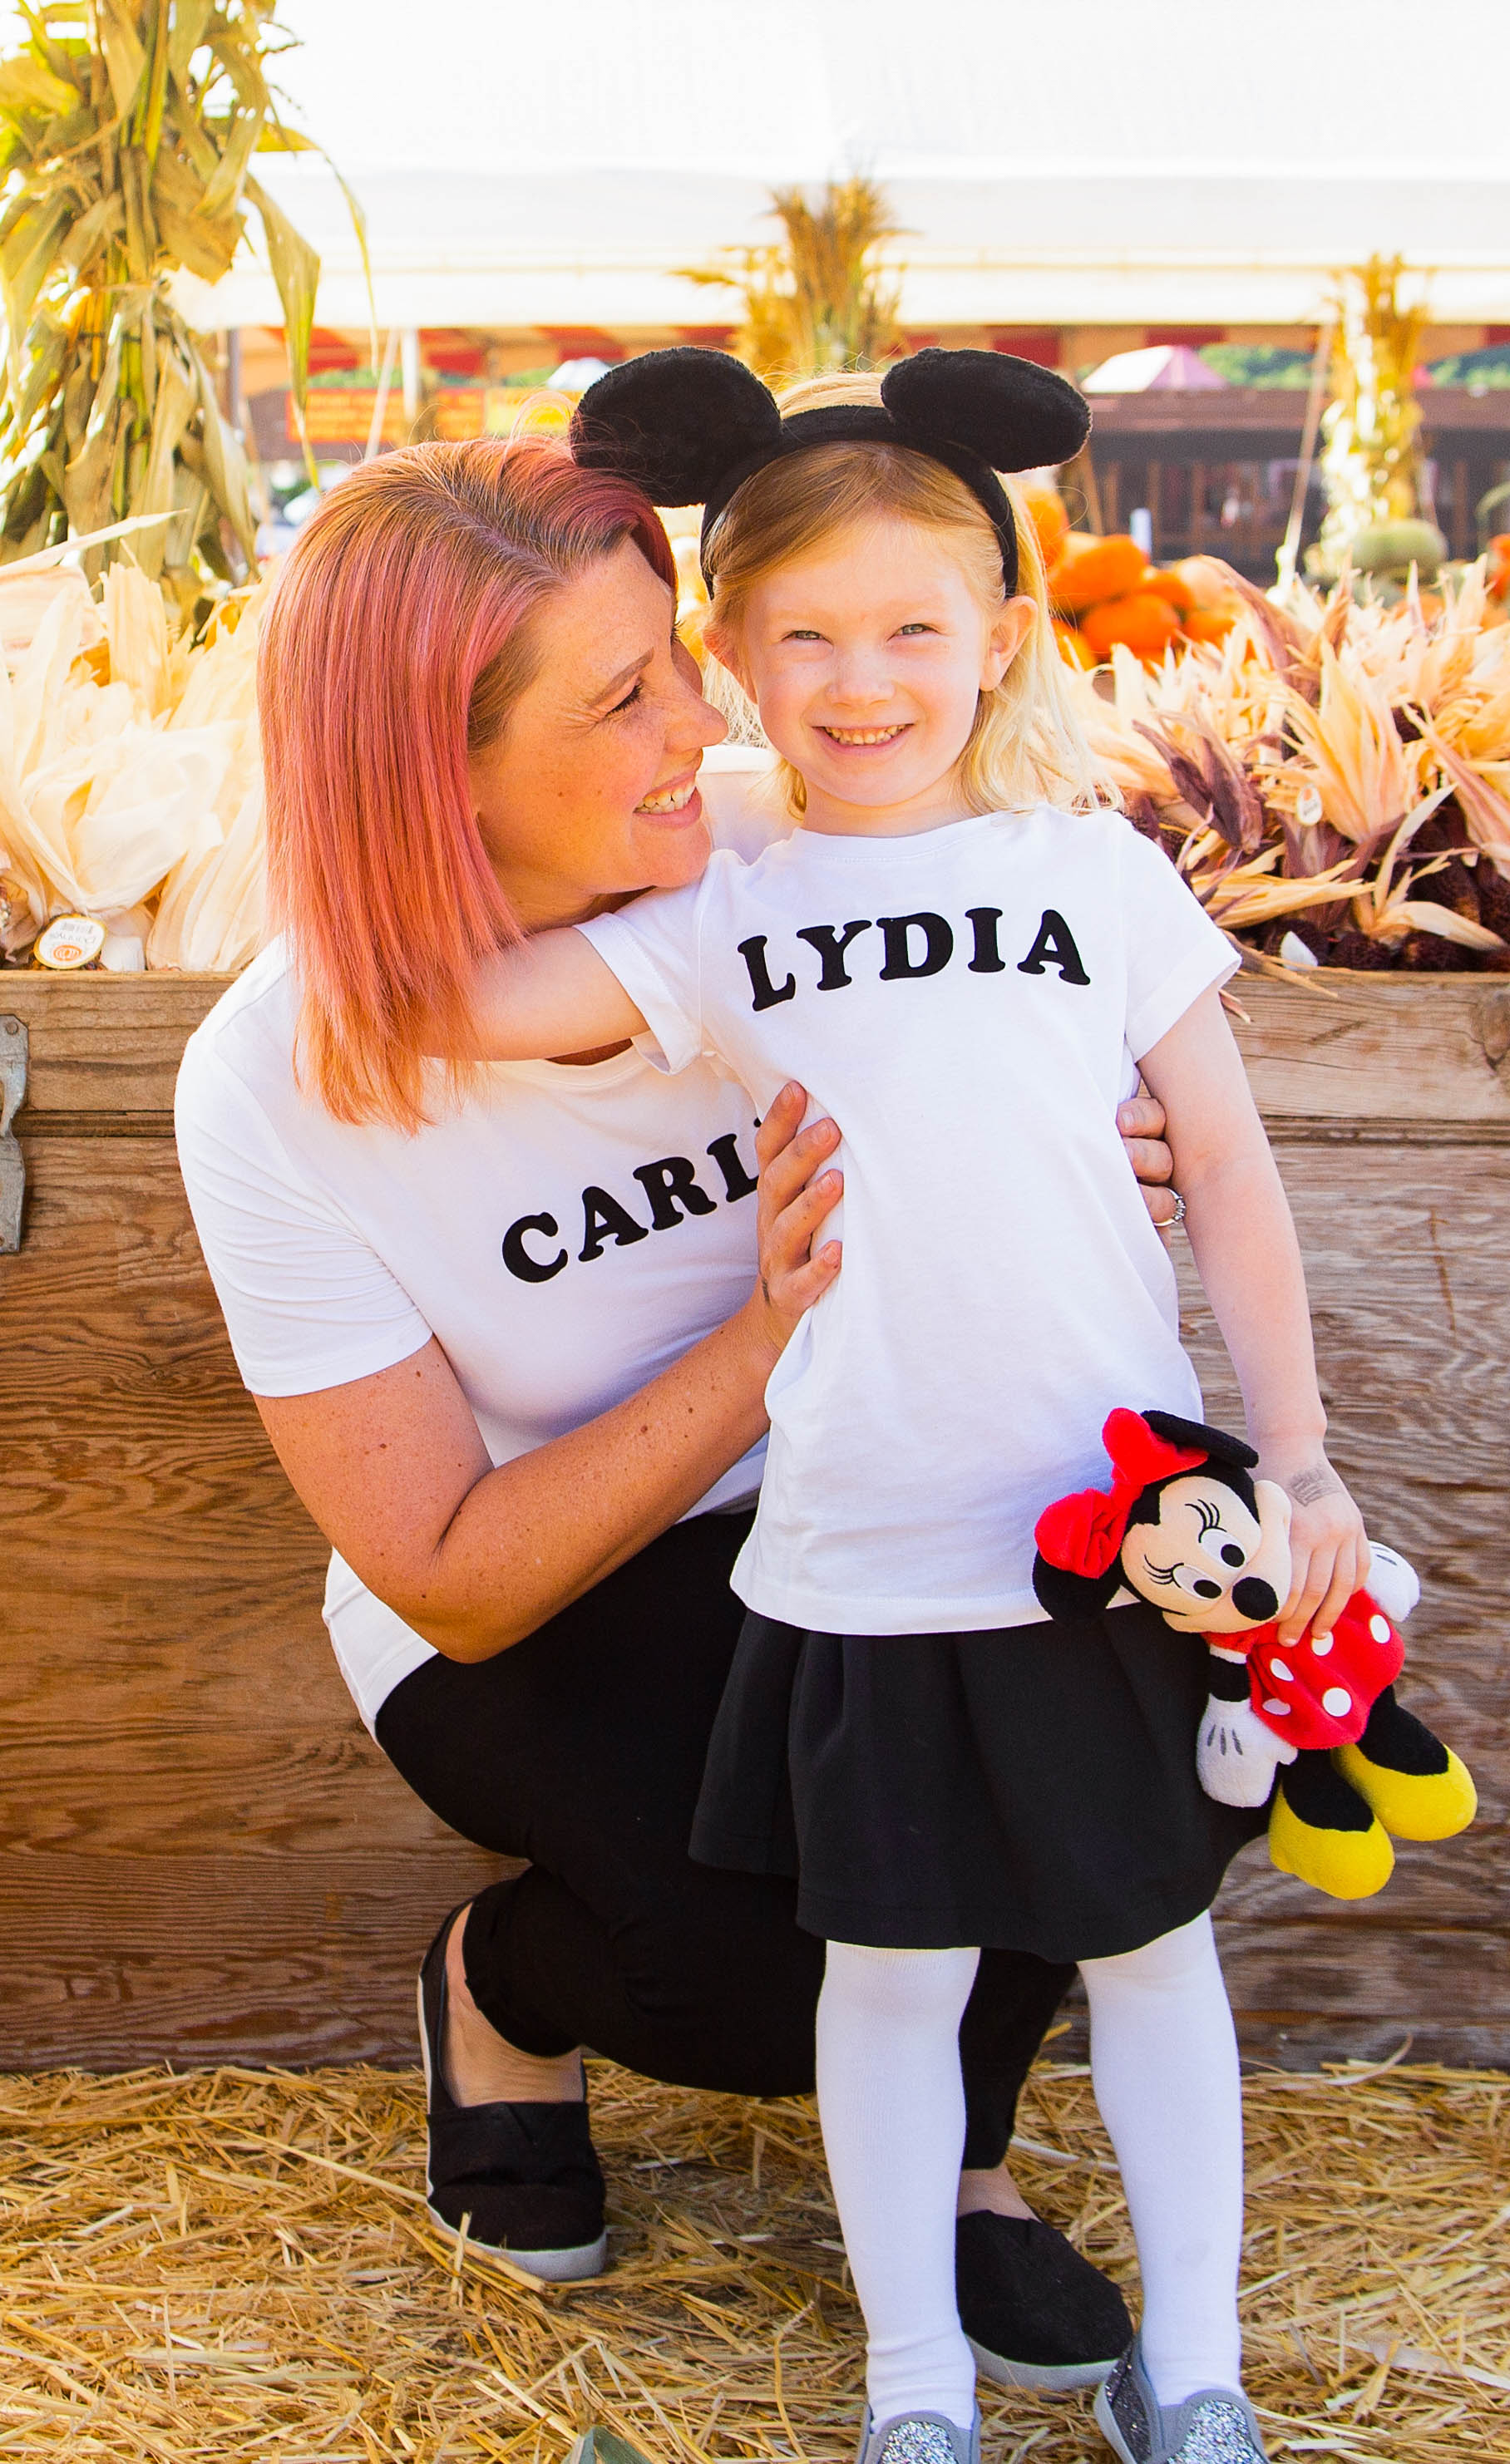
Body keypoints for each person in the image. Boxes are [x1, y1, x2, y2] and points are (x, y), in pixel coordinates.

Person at [173, 426, 1182, 2387]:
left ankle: (957, 2147)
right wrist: (771, 1325)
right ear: (426, 768)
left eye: (678, 657)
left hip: (880, 1484)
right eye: (624, 694)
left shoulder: (796, 853)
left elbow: (1078, 1017)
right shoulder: (267, 1082)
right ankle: (508, 1987)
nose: (706, 716)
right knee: (744, 1978)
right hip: (557, 1578)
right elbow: (453, 1575)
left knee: (1110, 1675)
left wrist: (1075, 1136)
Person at [452, 350, 1371, 2464]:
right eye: (802, 639)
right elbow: (460, 1003)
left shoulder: (1091, 877)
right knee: (889, 1975)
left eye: (909, 633)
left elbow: (1223, 1170)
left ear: (999, 640)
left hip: (1113, 1547)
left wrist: (1297, 1452)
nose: (859, 684)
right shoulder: (722, 909)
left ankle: (1202, 2375)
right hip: (864, 1545)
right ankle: (914, 2394)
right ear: (730, 659)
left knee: (1144, 1956)